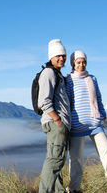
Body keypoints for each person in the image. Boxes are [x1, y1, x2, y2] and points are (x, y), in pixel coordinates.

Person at [65, 51, 107, 193]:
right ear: (73, 63)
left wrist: (102, 114)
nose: (81, 65)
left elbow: (98, 97)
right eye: (78, 62)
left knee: (106, 151)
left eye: (83, 62)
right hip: (76, 125)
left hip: (94, 123)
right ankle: (73, 189)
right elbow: (68, 101)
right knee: (76, 160)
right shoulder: (68, 80)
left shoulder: (92, 78)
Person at [38, 39, 71, 193]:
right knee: (54, 161)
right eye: (58, 56)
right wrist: (58, 120)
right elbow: (43, 101)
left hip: (57, 124)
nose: (61, 58)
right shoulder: (49, 73)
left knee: (58, 160)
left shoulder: (57, 74)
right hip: (55, 124)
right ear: (51, 57)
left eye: (63, 55)